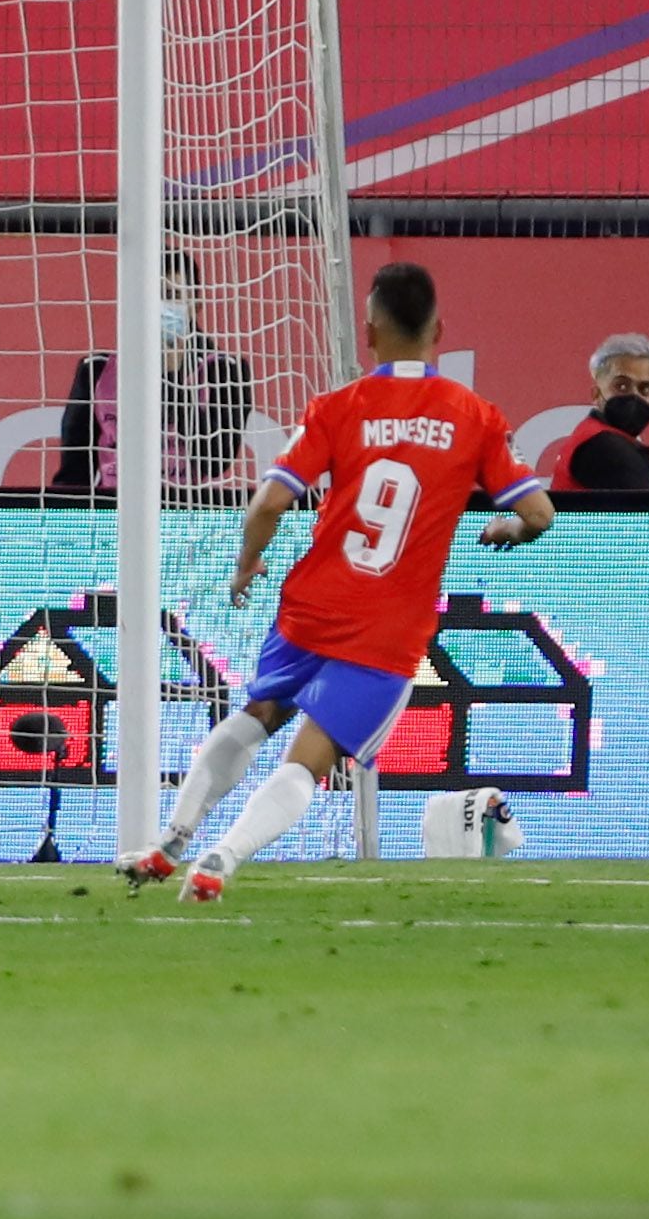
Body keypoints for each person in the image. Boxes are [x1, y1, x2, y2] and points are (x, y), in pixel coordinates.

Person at [131, 262, 555, 902]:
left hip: (312, 604)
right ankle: (223, 859)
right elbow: (538, 513)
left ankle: (172, 839)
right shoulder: (477, 417)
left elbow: (268, 505)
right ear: (439, 329)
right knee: (311, 757)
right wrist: (508, 533)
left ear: (369, 330)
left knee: (257, 714)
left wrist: (247, 563)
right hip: (388, 630)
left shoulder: (337, 408)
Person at [52, 247, 257, 500]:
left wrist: (172, 377)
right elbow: (73, 474)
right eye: (149, 295)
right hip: (117, 514)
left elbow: (215, 461)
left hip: (188, 513)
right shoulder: (96, 371)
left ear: (195, 305)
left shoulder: (225, 370)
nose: (159, 307)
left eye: (172, 295)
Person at [547, 331, 649, 493]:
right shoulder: (603, 446)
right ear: (596, 394)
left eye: (645, 389)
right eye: (621, 386)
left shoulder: (594, 436)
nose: (634, 396)